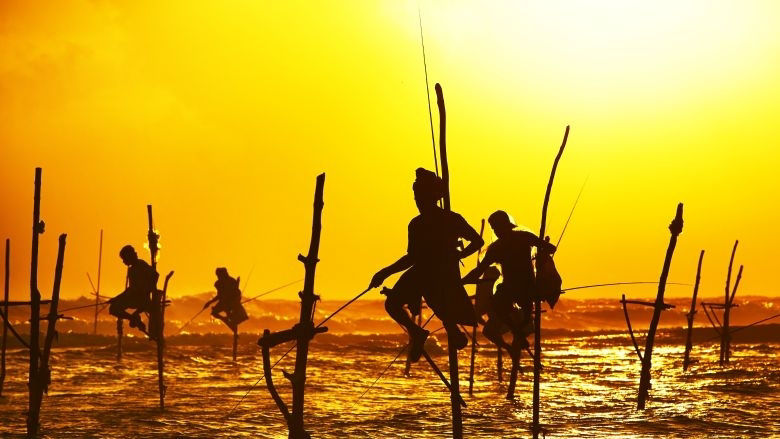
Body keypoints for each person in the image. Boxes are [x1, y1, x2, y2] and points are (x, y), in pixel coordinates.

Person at [369, 168, 484, 362]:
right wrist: (385, 272)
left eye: (421, 197)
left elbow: (477, 241)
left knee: (438, 302)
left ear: (433, 197)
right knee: (392, 304)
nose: (418, 202)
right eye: (416, 197)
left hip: (443, 274)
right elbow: (412, 257)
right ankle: (417, 332)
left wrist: (458, 256)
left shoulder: (451, 219)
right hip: (421, 272)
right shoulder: (416, 224)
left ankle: (452, 331)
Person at [462, 210, 557, 359]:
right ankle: (518, 332)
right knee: (500, 305)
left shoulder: (510, 242)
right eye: (493, 228)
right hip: (519, 288)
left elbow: (478, 270)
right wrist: (463, 281)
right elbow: (551, 248)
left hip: (521, 287)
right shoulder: (515, 240)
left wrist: (462, 281)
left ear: (505, 225)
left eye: (497, 227)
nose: (496, 231)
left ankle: (518, 331)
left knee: (504, 307)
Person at [109, 245, 157, 334]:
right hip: (134, 298)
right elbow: (131, 289)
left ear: (130, 256)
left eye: (124, 259)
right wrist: (116, 298)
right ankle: (133, 318)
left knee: (114, 308)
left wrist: (148, 289)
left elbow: (155, 275)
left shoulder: (141, 264)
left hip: (142, 299)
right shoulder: (131, 270)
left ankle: (134, 317)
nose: (123, 261)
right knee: (113, 309)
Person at [204, 267, 248, 332]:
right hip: (224, 303)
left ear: (223, 274)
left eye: (219, 275)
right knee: (214, 313)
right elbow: (220, 295)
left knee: (230, 316)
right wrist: (210, 302)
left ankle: (231, 325)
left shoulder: (231, 281)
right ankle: (226, 320)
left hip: (230, 303)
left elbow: (237, 293)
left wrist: (236, 301)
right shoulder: (219, 283)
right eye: (217, 275)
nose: (218, 277)